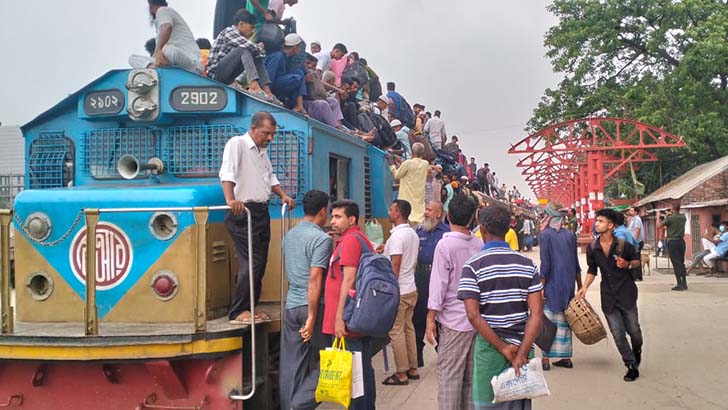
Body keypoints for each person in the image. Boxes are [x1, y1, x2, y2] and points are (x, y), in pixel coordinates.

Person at [458, 204, 544, 409]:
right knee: (519, 402)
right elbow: (537, 313)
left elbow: (472, 315)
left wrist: (503, 348)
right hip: (523, 344)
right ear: (509, 227)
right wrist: (522, 353)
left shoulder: (472, 266)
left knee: (488, 404)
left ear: (482, 228)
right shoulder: (527, 265)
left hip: (490, 349)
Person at [220, 111, 296, 324]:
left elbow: (270, 177)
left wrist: (282, 194)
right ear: (253, 128)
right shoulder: (237, 144)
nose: (269, 138)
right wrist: (230, 199)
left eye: (272, 134)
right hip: (243, 212)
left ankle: (250, 308)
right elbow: (227, 172)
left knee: (260, 263)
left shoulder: (262, 152)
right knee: (251, 262)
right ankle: (238, 311)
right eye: (266, 133)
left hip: (261, 212)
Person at [426, 194, 482, 409]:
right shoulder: (478, 244)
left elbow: (438, 285)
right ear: (472, 219)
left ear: (448, 216)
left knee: (450, 379)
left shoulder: (445, 246)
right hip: (476, 322)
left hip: (453, 322)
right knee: (470, 380)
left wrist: (431, 318)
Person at [279, 190, 332, 410]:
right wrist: (311, 317)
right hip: (312, 307)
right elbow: (315, 278)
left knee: (291, 364)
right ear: (322, 211)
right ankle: (299, 404)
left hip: (291, 306)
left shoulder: (288, 236)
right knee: (331, 360)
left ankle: (289, 405)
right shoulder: (322, 239)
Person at [577, 208, 643, 382]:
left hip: (627, 293)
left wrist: (627, 264)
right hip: (608, 296)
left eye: (601, 221)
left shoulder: (623, 245)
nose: (597, 224)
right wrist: (584, 287)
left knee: (634, 331)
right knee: (617, 333)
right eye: (596, 221)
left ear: (611, 225)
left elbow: (637, 260)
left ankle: (637, 349)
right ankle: (630, 365)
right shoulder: (593, 248)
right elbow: (592, 270)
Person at [324, 200, 376, 410]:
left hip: (348, 318)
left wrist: (339, 319)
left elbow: (349, 279)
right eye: (332, 216)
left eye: (338, 217)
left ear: (351, 219)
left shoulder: (351, 241)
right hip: (354, 315)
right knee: (361, 370)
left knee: (354, 376)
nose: (332, 221)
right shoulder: (354, 238)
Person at [381, 200, 421, 386]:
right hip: (411, 288)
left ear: (398, 213)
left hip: (400, 290)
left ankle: (401, 373)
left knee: (396, 331)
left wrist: (390, 293)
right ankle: (413, 368)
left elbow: (394, 267)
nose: (389, 212)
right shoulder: (412, 234)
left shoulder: (397, 237)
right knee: (408, 328)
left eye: (391, 209)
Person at [538, 203, 582, 371]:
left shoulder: (545, 235)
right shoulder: (570, 235)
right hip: (568, 284)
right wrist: (579, 286)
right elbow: (576, 264)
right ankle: (566, 358)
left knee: (548, 321)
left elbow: (546, 265)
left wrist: (541, 287)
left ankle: (546, 359)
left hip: (551, 284)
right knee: (565, 320)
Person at [206, 9, 276, 100]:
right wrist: (258, 48)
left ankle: (267, 91)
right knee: (244, 49)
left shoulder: (241, 39)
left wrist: (257, 49)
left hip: (227, 75)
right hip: (215, 74)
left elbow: (258, 53)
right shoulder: (229, 32)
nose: (253, 31)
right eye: (251, 27)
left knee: (254, 53)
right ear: (241, 24)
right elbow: (250, 47)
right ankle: (254, 86)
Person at [413, 201, 449, 367]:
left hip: (438, 277)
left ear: (439, 214)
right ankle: (417, 355)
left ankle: (442, 354)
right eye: (426, 209)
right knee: (418, 317)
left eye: (430, 210)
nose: (426, 212)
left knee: (439, 318)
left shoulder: (446, 233)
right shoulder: (419, 231)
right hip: (420, 277)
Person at [131, 0, 203, 73]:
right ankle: (153, 67)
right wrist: (156, 59)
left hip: (192, 65)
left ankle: (157, 67)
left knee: (167, 49)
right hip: (170, 63)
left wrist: (159, 50)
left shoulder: (163, 10)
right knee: (132, 58)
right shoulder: (160, 26)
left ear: (150, 6)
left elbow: (167, 27)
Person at [388, 143, 429, 224]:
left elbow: (396, 175)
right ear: (422, 153)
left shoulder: (407, 163)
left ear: (412, 152)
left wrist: (391, 163)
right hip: (419, 204)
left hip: (406, 202)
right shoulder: (425, 164)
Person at [265, 33, 307, 112]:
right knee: (297, 78)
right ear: (295, 47)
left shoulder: (287, 57)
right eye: (299, 46)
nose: (300, 49)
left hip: (278, 83)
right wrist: (268, 93)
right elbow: (269, 75)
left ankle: (299, 106)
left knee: (299, 72)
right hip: (271, 86)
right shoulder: (278, 56)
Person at [302, 54, 344, 128]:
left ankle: (339, 125)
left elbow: (321, 85)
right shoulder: (300, 73)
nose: (310, 66)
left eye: (314, 65)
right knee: (323, 104)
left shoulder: (313, 75)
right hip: (305, 104)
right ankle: (336, 128)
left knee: (333, 101)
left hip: (315, 101)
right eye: (308, 63)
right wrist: (303, 80)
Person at [657, 203, 688, 290]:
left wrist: (658, 216)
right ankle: (684, 283)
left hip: (672, 241)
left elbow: (658, 226)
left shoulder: (670, 218)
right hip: (681, 241)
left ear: (672, 208)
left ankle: (679, 284)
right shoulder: (683, 217)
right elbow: (675, 220)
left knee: (676, 263)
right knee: (681, 262)